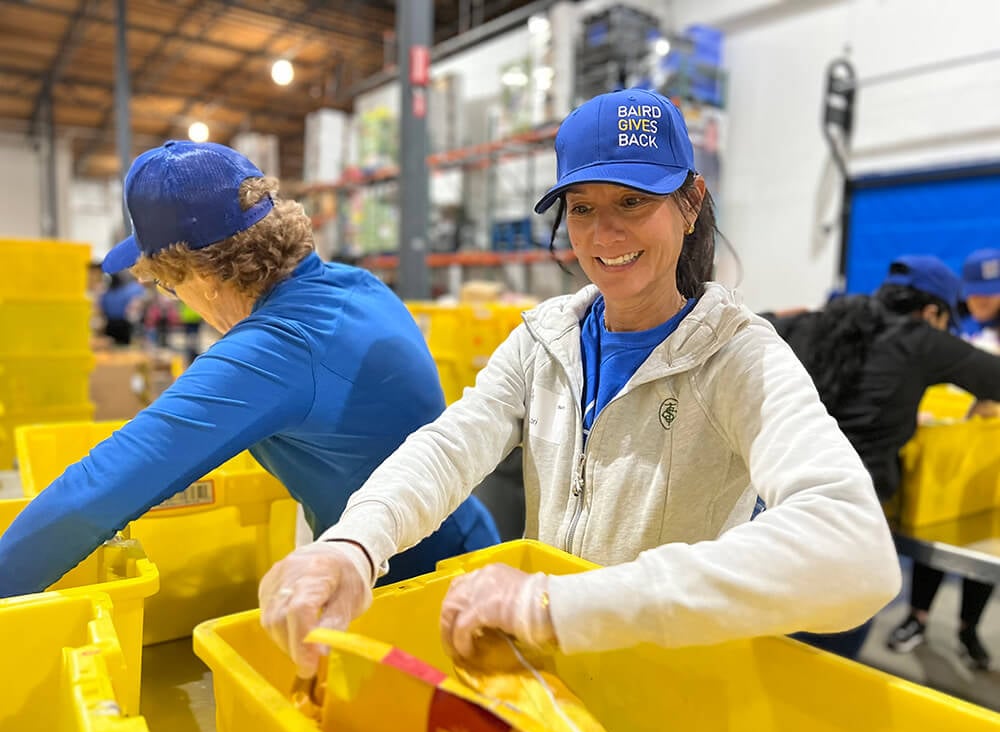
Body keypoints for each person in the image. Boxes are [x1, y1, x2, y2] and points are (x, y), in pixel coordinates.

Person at [258, 88, 901, 678]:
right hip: (555, 673)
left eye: (632, 202)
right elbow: (450, 447)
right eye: (583, 208)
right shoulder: (545, 340)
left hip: (672, 681)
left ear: (691, 201)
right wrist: (351, 544)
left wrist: (555, 605)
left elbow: (855, 551)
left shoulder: (738, 357)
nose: (604, 234)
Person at [0, 140, 499, 599]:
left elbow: (99, 487)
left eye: (168, 284)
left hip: (414, 592)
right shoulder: (355, 284)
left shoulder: (276, 348)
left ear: (199, 274)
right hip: (463, 548)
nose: (173, 296)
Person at [767, 255, 1000, 667]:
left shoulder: (825, 321)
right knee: (828, 668)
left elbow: (746, 327)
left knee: (772, 648)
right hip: (846, 527)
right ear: (932, 311)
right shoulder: (919, 337)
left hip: (772, 508)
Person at [873, 251, 1000, 670]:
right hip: (946, 446)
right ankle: (918, 618)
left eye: (992, 294)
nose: (984, 302)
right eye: (978, 294)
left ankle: (968, 630)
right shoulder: (947, 324)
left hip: (989, 458)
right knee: (932, 539)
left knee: (982, 543)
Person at [98, 271, 146, 345]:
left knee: (111, 347)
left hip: (111, 323)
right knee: (123, 347)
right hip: (122, 323)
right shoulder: (127, 291)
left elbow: (102, 309)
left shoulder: (106, 294)